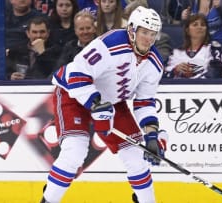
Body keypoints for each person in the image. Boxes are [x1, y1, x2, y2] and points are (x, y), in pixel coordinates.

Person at [40, 6, 168, 203]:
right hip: (73, 94)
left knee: (136, 157)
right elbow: (77, 74)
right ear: (132, 30)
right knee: (75, 151)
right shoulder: (110, 44)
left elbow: (144, 102)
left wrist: (151, 134)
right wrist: (96, 105)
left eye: (153, 34)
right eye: (144, 32)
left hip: (111, 102)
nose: (148, 39)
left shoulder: (154, 63)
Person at [165, 13, 212, 79]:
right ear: (187, 30)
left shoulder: (212, 50)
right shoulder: (176, 52)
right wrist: (175, 70)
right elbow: (164, 74)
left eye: (203, 25)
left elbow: (214, 73)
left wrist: (194, 71)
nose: (199, 27)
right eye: (195, 24)